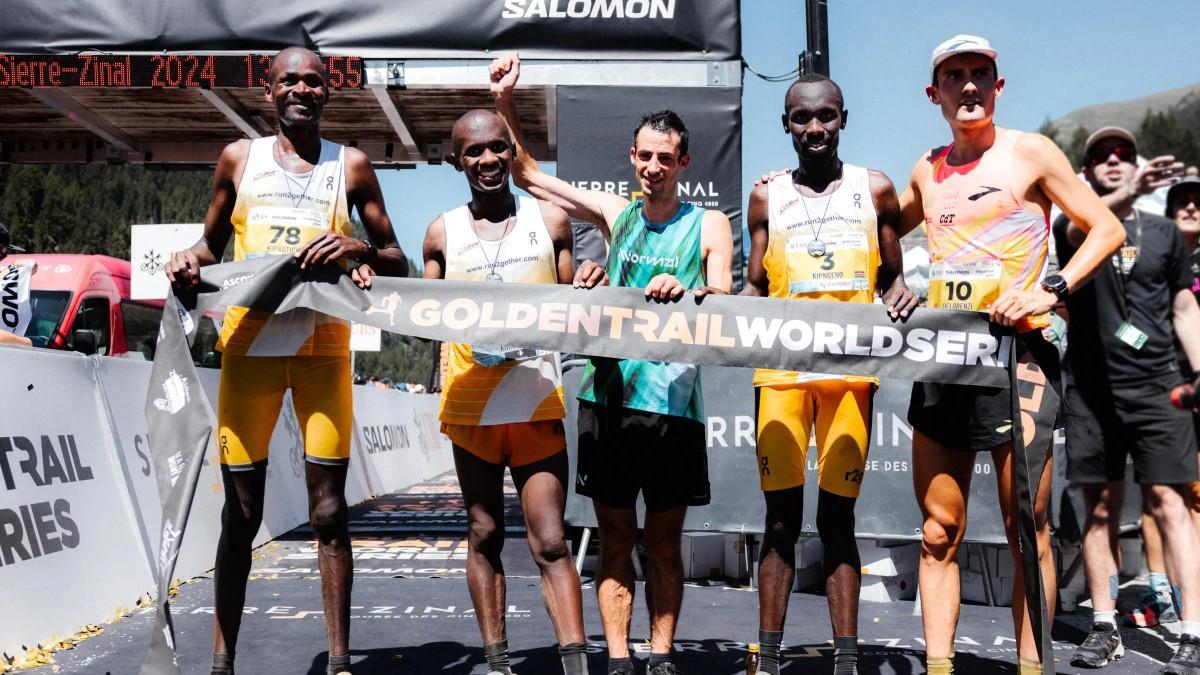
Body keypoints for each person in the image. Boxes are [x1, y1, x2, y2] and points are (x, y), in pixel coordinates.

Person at [165, 46, 408, 675]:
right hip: (250, 348)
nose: (301, 89)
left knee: (329, 511)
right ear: (267, 90)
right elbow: (208, 245)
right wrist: (187, 260)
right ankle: (223, 660)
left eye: (314, 81)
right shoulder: (237, 160)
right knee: (241, 513)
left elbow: (395, 257)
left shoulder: (350, 166)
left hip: (322, 350)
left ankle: (340, 660)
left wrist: (357, 245)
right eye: (288, 81)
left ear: (329, 92)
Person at [491, 53, 734, 675]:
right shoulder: (615, 214)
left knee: (664, 544)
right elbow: (527, 175)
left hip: (674, 407)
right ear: (633, 159)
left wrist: (691, 293)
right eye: (643, 156)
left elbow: (727, 298)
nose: (653, 167)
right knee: (617, 540)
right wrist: (505, 102)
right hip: (609, 401)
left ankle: (662, 655)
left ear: (684, 163)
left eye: (665, 158)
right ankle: (621, 659)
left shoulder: (708, 224)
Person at [895, 35, 1126, 675]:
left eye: (980, 75)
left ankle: (1031, 668)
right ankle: (939, 667)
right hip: (945, 361)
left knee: (1026, 529)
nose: (968, 87)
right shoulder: (927, 168)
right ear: (933, 92)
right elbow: (879, 230)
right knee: (939, 530)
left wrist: (1049, 289)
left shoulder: (1030, 151)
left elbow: (1107, 229)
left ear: (998, 86)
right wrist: (789, 191)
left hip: (1018, 357)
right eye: (954, 77)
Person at [741, 74, 916, 675]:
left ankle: (845, 661)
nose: (814, 129)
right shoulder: (766, 196)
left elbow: (892, 278)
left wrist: (903, 294)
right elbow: (755, 286)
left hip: (848, 377)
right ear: (785, 124)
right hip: (783, 376)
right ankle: (768, 657)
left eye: (826, 117)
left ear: (844, 118)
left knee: (837, 519)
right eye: (801, 119)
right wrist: (712, 306)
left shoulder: (876, 188)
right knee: (781, 520)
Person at [421, 108, 592, 675]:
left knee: (550, 542)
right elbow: (426, 316)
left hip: (536, 399)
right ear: (456, 161)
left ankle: (575, 662)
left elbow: (574, 309)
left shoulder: (550, 220)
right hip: (472, 405)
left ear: (510, 151)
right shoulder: (441, 230)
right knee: (484, 532)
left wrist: (587, 282)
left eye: (497, 148)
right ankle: (498, 662)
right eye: (473, 152)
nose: (488, 160)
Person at [1052, 128, 1200, 673]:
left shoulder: (1163, 233)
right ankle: (1105, 627)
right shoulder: (1076, 229)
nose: (1114, 162)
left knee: (1170, 504)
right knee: (1098, 513)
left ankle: (1192, 632)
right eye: (1101, 157)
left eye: (1124, 156)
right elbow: (1077, 225)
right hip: (1091, 388)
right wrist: (1130, 191)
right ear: (1087, 172)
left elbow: (1184, 308)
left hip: (1158, 386)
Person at [1134, 174, 1200, 629]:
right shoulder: (1146, 259)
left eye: (1199, 202)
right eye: (1182, 201)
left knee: (1195, 495)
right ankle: (1162, 591)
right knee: (1157, 496)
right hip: (1157, 390)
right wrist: (1143, 349)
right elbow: (1116, 323)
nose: (1192, 208)